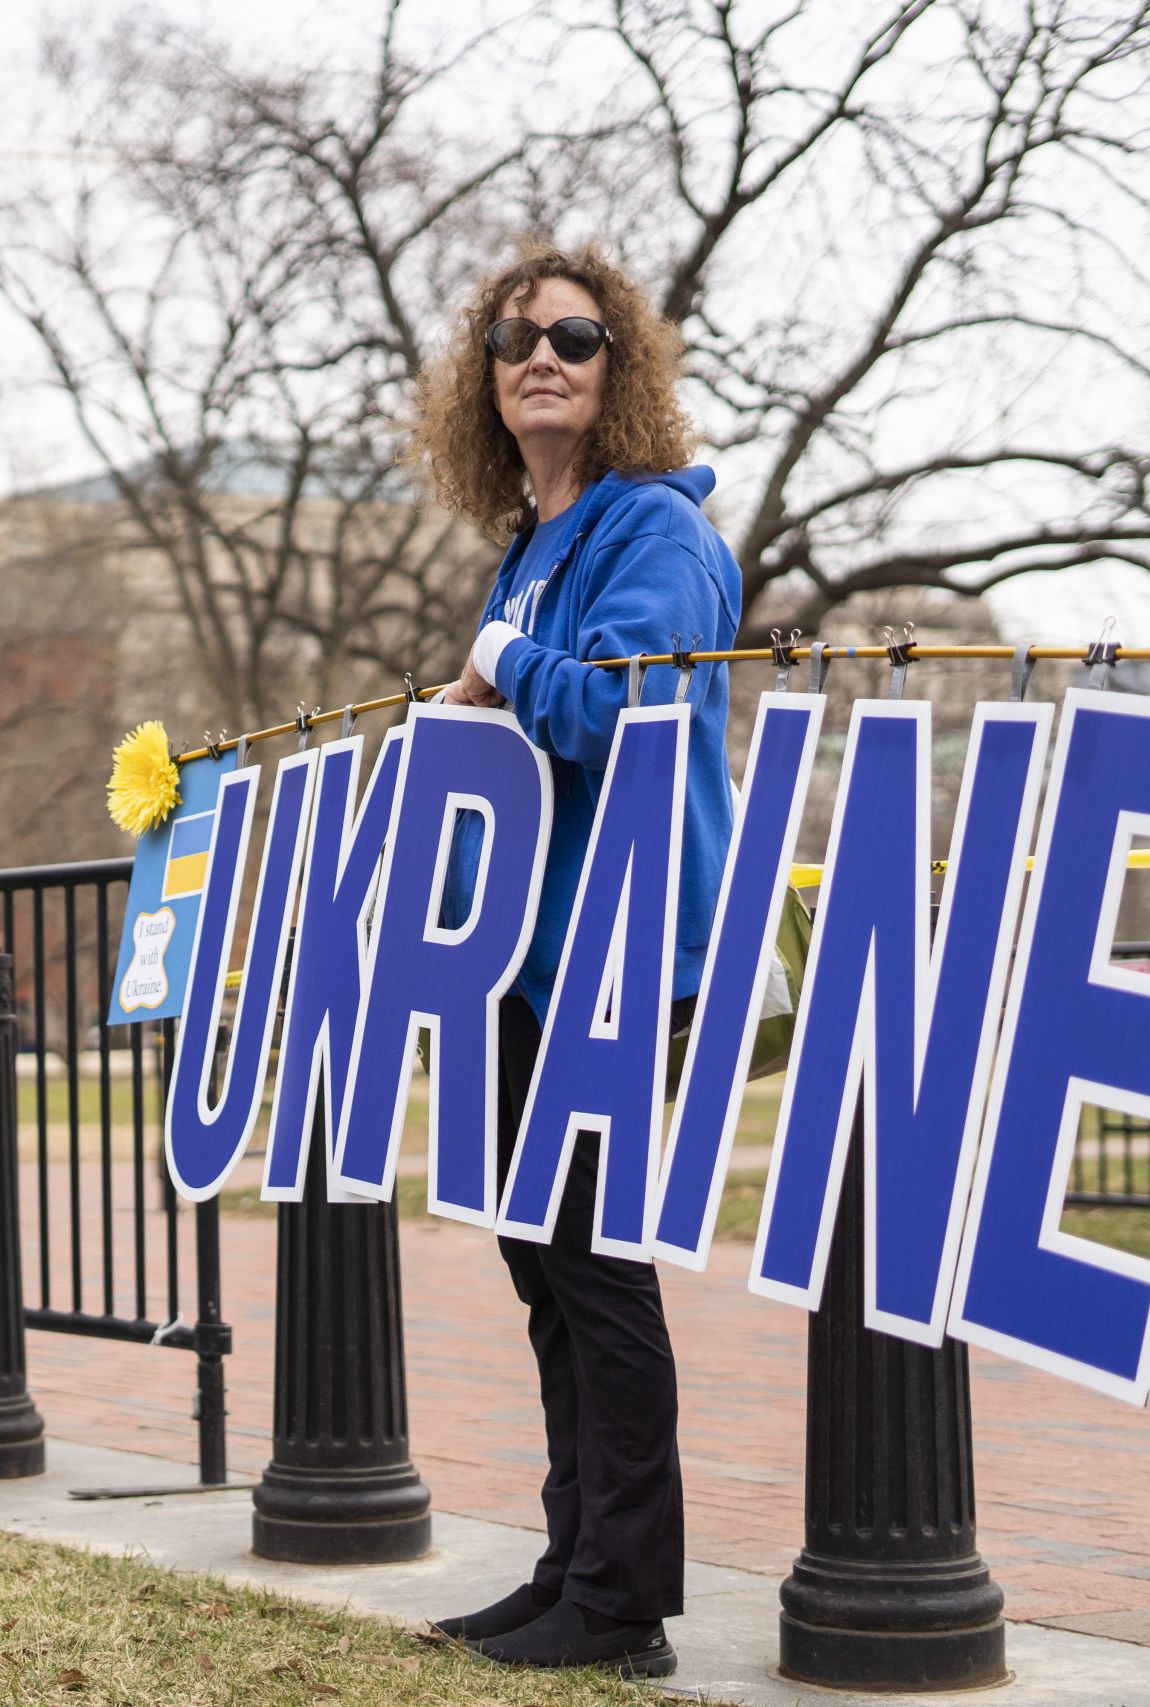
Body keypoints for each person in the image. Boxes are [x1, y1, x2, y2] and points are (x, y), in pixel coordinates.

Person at [413, 240, 741, 1679]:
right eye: (510, 338)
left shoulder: (654, 531)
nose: (540, 353)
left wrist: (503, 657)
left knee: (600, 1269)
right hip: (529, 960)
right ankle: (572, 1561)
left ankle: (625, 1604)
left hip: (624, 947)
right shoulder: (536, 544)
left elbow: (628, 714)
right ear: (481, 381)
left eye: (575, 334)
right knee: (544, 1265)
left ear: (623, 367)